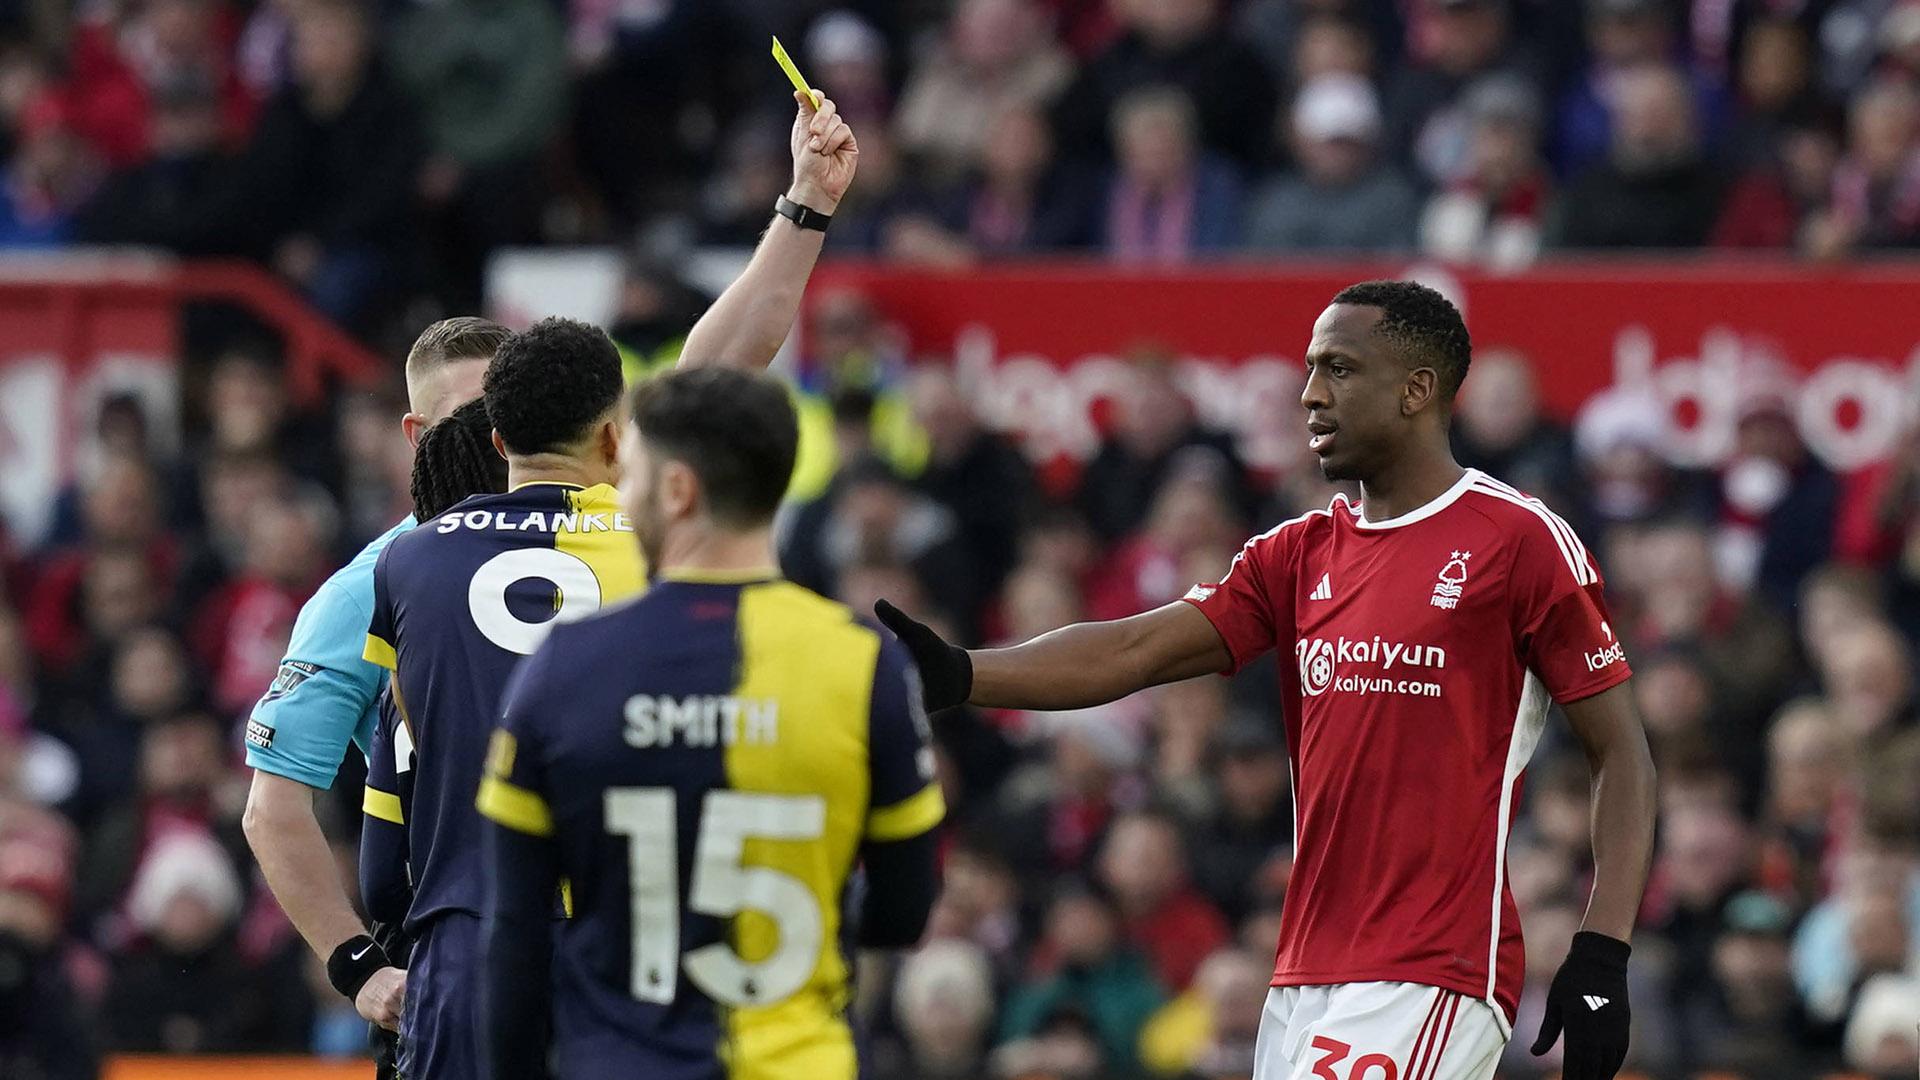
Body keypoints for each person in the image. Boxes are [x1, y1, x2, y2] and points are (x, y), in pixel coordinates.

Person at [876, 280, 1658, 1080]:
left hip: (1431, 966)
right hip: (1303, 973)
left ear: (1416, 390)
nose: (1310, 394)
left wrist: (1602, 948)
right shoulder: (1296, 553)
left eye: (1339, 369)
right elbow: (1134, 649)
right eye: (1310, 369)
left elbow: (1621, 753)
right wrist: (962, 672)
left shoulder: (1520, 541)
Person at [244, 83, 860, 1052]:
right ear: (415, 434)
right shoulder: (370, 586)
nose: (484, 439)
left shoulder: (417, 566)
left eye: (497, 415)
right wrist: (357, 965)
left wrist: (804, 204)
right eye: (460, 422)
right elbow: (274, 805)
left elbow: (716, 361)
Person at [475, 365, 943, 1080]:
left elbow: (514, 934)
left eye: (631, 477)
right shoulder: (863, 662)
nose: (621, 498)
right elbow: (905, 911)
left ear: (677, 490)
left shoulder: (565, 667)